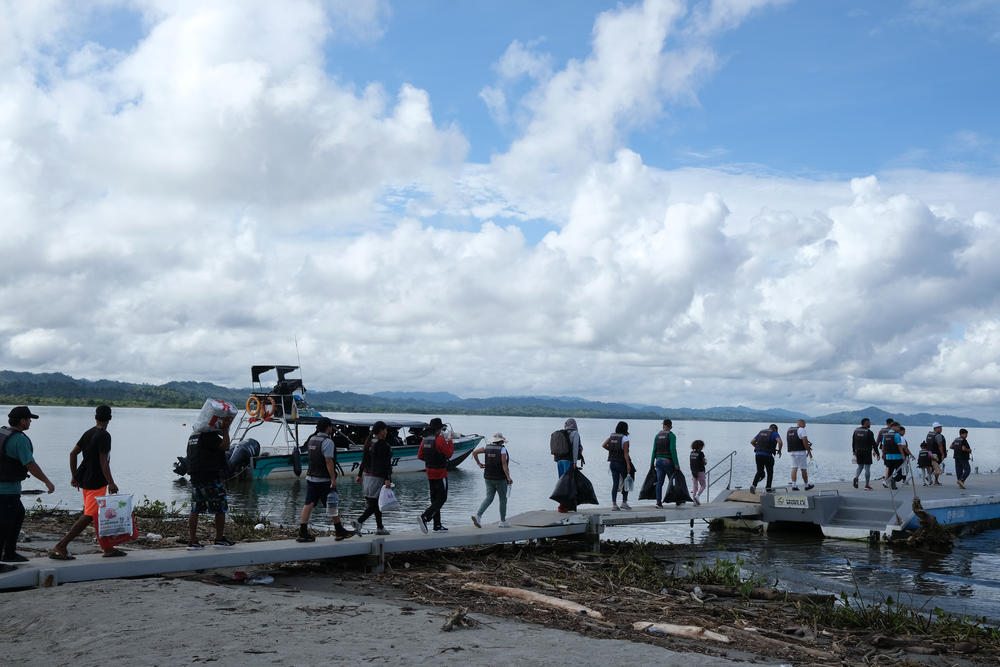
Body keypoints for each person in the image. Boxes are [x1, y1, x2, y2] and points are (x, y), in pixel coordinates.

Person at [50, 405, 127, 559]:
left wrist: (74, 476)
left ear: (95, 417)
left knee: (98, 515)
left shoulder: (88, 433)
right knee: (90, 515)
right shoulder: (104, 436)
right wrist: (111, 483)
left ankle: (108, 549)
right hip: (96, 482)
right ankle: (61, 546)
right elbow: (104, 461)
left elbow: (73, 454)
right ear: (109, 418)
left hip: (85, 480)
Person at [0, 407, 55, 568]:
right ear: (22, 421)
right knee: (4, 525)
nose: (30, 421)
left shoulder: (2, 433)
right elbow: (30, 464)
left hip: (8, 490)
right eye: (29, 419)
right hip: (6, 491)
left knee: (18, 514)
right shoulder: (19, 440)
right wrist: (47, 482)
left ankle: (9, 553)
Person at [186, 410, 237, 550]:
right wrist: (225, 431)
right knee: (220, 507)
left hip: (196, 477)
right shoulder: (209, 436)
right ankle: (219, 539)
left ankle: (192, 541)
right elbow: (225, 446)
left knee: (195, 508)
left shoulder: (193, 436)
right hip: (210, 477)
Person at [298, 417, 354, 542]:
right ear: (328, 427)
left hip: (311, 477)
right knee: (332, 503)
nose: (331, 429)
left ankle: (302, 531)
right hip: (323, 479)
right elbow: (329, 461)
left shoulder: (312, 439)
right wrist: (333, 479)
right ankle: (339, 531)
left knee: (308, 504)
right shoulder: (328, 442)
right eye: (331, 427)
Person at [351, 421, 393, 536]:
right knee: (375, 505)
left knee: (375, 503)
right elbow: (386, 464)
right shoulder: (384, 445)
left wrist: (359, 475)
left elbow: (364, 460)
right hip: (378, 478)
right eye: (385, 430)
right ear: (380, 431)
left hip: (367, 478)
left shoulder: (369, 443)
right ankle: (359, 521)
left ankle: (380, 528)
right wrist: (388, 478)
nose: (386, 432)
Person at [417, 417, 454, 533]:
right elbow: (449, 454)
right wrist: (450, 441)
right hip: (440, 473)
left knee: (434, 499)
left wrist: (430, 461)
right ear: (438, 429)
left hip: (429, 472)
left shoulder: (425, 440)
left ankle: (437, 525)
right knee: (442, 498)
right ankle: (425, 517)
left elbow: (420, 456)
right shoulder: (440, 440)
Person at [471, 433, 513, 528]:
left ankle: (478, 516)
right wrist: (508, 477)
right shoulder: (502, 449)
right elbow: (504, 465)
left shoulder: (486, 448)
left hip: (488, 477)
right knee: (503, 499)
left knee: (489, 498)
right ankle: (502, 521)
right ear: (501, 441)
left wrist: (479, 463)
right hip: (500, 478)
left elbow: (474, 453)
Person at [553, 418, 584, 513]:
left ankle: (562, 505)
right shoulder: (575, 433)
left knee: (561, 483)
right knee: (569, 484)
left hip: (559, 461)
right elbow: (575, 448)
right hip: (568, 461)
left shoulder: (561, 433)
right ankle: (565, 506)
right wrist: (574, 462)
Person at [602, 421, 633, 511]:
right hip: (621, 463)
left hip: (612, 463)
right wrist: (628, 465)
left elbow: (603, 445)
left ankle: (614, 505)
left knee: (615, 484)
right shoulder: (625, 438)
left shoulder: (612, 437)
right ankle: (624, 503)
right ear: (625, 429)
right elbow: (626, 454)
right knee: (626, 482)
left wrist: (611, 450)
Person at [651, 418, 678, 509]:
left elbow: (654, 450)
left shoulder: (657, 436)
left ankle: (658, 503)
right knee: (673, 481)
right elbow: (672, 450)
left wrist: (651, 463)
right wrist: (676, 464)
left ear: (663, 425)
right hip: (668, 461)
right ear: (670, 426)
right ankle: (678, 500)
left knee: (659, 482)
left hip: (658, 461)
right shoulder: (671, 436)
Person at [749, 424, 782, 494]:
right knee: (770, 472)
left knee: (759, 471)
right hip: (768, 456)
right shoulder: (774, 433)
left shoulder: (761, 432)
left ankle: (753, 485)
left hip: (758, 455)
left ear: (769, 428)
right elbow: (780, 442)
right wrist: (779, 450)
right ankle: (768, 488)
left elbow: (752, 442)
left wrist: (757, 447)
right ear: (776, 429)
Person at [851, 418, 879, 490]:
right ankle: (867, 485)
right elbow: (874, 444)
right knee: (867, 468)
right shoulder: (869, 432)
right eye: (869, 422)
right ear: (866, 423)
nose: (870, 424)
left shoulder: (856, 431)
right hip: (866, 452)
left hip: (858, 451)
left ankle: (856, 477)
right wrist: (878, 453)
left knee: (860, 466)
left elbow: (853, 442)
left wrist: (854, 451)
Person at [786, 419, 814, 491]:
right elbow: (805, 441)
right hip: (801, 452)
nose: (805, 425)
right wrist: (809, 452)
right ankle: (806, 485)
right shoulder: (802, 430)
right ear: (800, 423)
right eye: (804, 423)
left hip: (792, 452)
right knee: (803, 469)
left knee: (794, 468)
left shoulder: (790, 430)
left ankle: (794, 485)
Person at [881, 422, 906, 490]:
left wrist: (883, 454)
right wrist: (903, 455)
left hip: (888, 457)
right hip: (897, 457)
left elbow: (883, 446)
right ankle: (894, 480)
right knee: (900, 474)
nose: (898, 429)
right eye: (898, 427)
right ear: (893, 427)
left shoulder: (885, 435)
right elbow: (899, 446)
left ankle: (892, 483)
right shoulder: (897, 435)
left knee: (890, 472)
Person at [689, 440, 706, 505]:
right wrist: (705, 462)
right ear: (700, 446)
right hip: (700, 471)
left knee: (695, 486)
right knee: (703, 485)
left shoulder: (691, 453)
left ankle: (694, 501)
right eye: (702, 446)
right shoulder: (701, 453)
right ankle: (697, 496)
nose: (702, 447)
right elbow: (704, 462)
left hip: (693, 471)